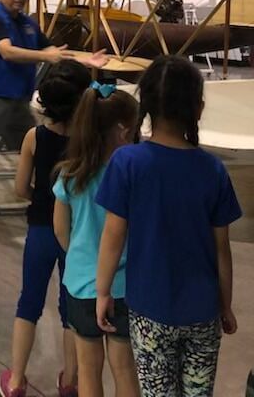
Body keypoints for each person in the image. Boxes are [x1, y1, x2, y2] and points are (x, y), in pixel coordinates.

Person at [96, 56, 242, 397]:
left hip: (150, 310)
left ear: (145, 105)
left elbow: (113, 237)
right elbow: (222, 248)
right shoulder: (213, 170)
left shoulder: (127, 163)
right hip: (203, 311)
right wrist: (225, 303)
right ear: (199, 108)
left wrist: (103, 292)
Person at [0, 60, 92, 397]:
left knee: (29, 301)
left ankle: (16, 380)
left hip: (41, 227)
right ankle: (70, 381)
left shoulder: (33, 137)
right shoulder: (90, 139)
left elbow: (21, 188)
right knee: (72, 307)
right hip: (78, 234)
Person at [0, 0, 107, 171]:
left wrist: (85, 61)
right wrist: (46, 57)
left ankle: (36, 189)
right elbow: (7, 52)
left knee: (36, 148)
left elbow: (51, 49)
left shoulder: (28, 23)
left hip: (20, 100)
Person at [53, 84, 140, 397]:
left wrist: (81, 255)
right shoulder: (134, 176)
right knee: (125, 369)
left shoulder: (70, 175)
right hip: (126, 285)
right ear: (123, 131)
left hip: (80, 284)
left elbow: (61, 232)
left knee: (88, 371)